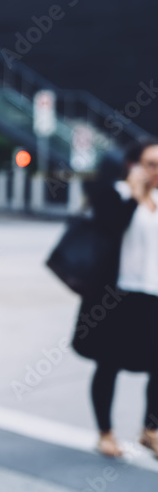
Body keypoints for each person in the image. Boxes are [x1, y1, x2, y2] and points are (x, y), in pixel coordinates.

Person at [74, 140, 158, 459]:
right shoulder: (114, 195)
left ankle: (151, 429)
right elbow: (111, 229)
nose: (156, 172)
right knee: (109, 364)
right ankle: (105, 432)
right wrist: (135, 197)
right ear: (133, 165)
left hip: (153, 294)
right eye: (151, 164)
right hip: (116, 297)